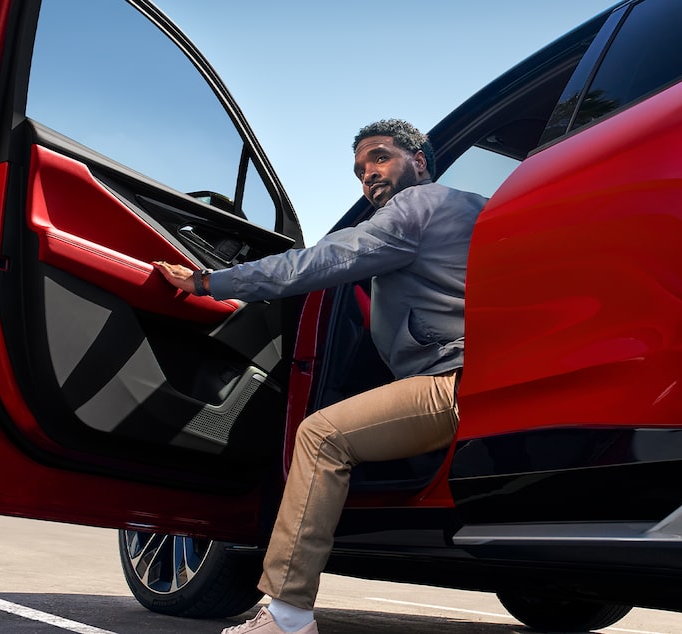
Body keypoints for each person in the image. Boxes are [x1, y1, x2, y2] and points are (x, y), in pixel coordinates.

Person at [153, 119, 486, 634]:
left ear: (419, 161)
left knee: (321, 436)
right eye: (358, 170)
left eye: (379, 158)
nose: (368, 175)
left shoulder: (417, 206)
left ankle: (287, 615)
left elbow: (326, 259)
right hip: (484, 376)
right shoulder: (475, 207)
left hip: (453, 382)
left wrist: (209, 281)